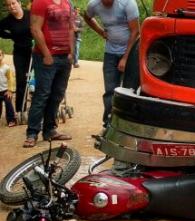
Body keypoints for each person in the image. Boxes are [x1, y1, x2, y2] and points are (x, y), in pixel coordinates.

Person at [23, 0, 74, 147]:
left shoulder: (67, 3)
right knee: (42, 94)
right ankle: (32, 133)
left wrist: (71, 52)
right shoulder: (40, 2)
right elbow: (35, 29)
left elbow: (71, 28)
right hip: (46, 57)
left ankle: (50, 130)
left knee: (57, 94)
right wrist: (46, 54)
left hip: (65, 58)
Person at [84, 0, 140, 129]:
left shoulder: (127, 3)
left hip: (130, 53)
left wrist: (125, 58)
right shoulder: (94, 5)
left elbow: (135, 31)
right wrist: (100, 31)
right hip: (110, 53)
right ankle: (109, 123)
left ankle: (127, 124)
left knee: (129, 89)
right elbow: (87, 17)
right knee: (110, 90)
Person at [0, 0, 32, 117]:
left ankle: (37, 107)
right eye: (8, 5)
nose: (11, 6)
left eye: (13, 3)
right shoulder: (8, 20)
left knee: (34, 80)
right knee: (21, 79)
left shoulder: (30, 14)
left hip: (34, 51)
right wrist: (11, 35)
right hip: (19, 53)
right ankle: (20, 109)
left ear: (19, 3)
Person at [0, 49, 17, 127]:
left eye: (0, 55)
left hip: (6, 91)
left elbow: (11, 79)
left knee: (8, 104)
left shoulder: (6, 68)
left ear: (2, 56)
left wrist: (10, 90)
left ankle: (11, 120)